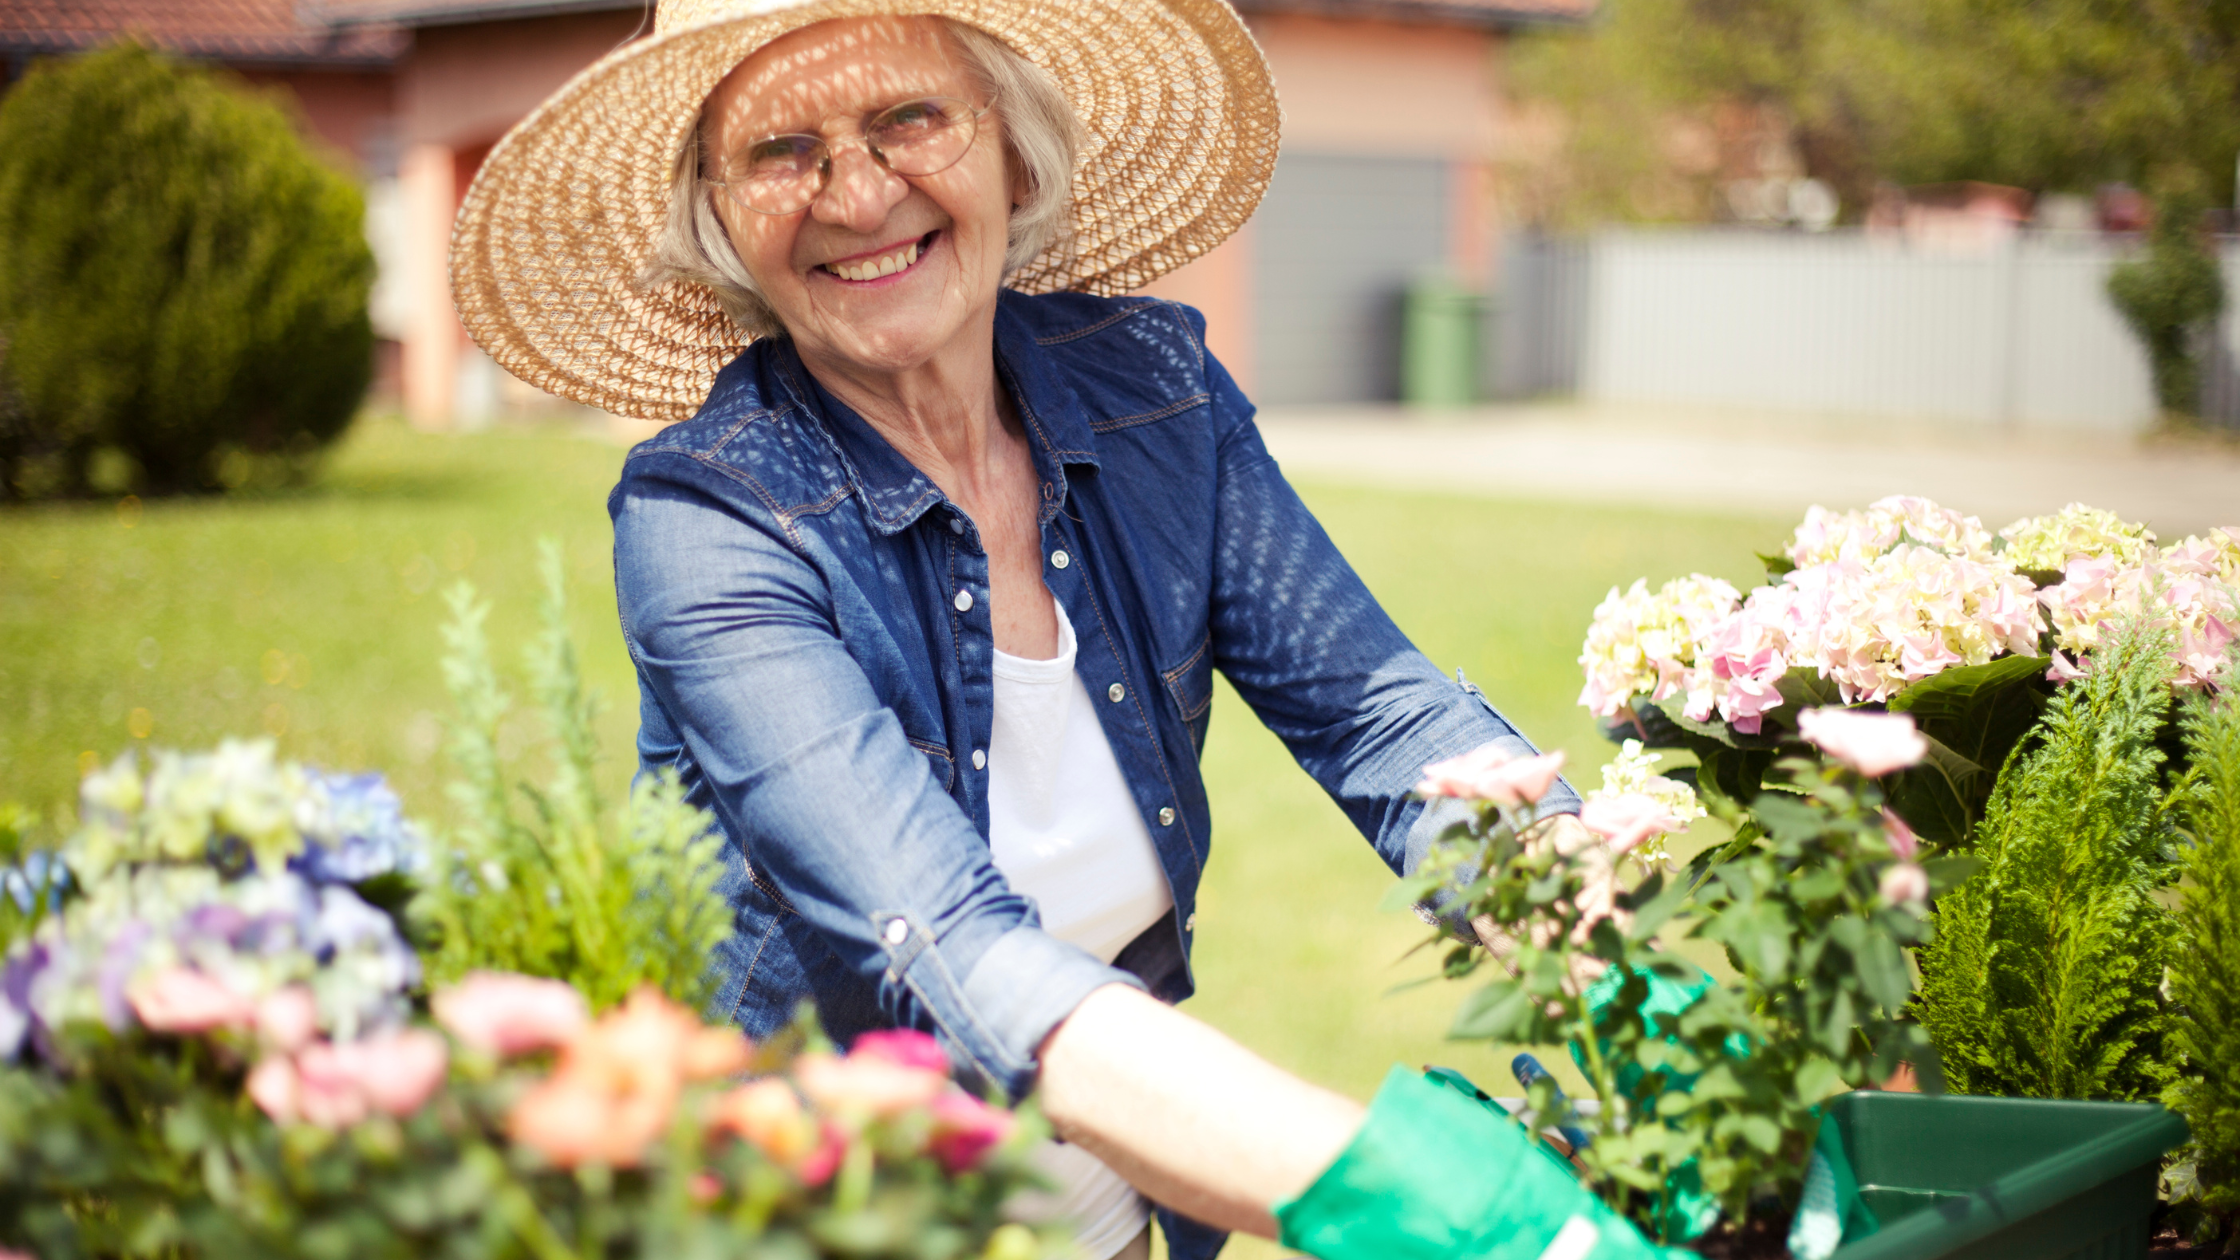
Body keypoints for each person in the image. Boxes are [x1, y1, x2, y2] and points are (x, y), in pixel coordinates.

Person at [449, 3, 1669, 1258]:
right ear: (718, 220)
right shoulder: (710, 516)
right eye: (778, 151)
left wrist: (1543, 883)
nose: (858, 194)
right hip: (826, 1212)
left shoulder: (1153, 391)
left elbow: (1374, 713)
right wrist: (1430, 1202)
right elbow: (949, 949)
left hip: (1104, 1189)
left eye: (907, 117)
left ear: (1012, 151)